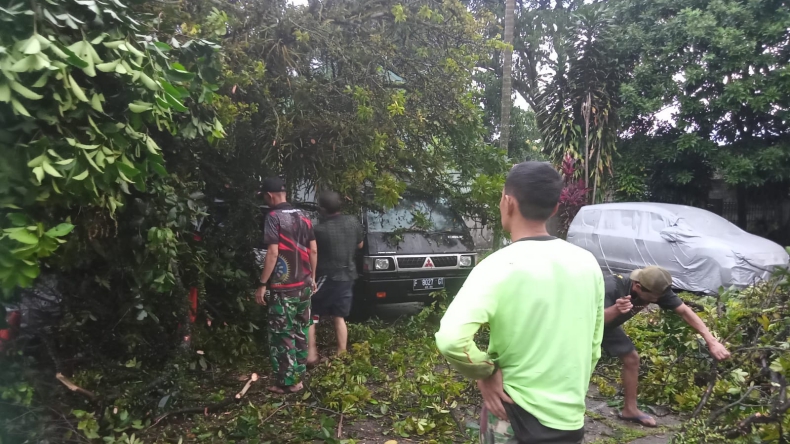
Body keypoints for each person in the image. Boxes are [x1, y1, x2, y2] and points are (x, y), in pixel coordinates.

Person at [435, 161, 605, 444]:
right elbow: (594, 345)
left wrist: (485, 371)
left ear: (508, 202)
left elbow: (451, 340)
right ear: (554, 208)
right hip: (569, 419)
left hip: (511, 414)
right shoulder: (587, 264)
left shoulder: (498, 266)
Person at [603, 266, 731, 427]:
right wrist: (616, 309)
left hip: (608, 328)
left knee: (631, 358)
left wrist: (712, 342)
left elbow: (685, 311)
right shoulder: (612, 287)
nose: (656, 301)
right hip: (584, 324)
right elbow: (591, 318)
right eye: (653, 298)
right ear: (637, 286)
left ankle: (630, 409)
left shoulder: (655, 288)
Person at [255, 177, 318, 395]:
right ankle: (298, 377)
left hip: (284, 288)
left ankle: (287, 383)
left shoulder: (273, 217)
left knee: (282, 334)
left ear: (269, 195)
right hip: (305, 285)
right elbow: (313, 250)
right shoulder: (304, 216)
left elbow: (273, 253)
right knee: (300, 330)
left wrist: (262, 283)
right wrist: (313, 277)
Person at [307, 191, 363, 364]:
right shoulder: (353, 222)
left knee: (310, 313)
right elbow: (360, 244)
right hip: (348, 275)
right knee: (339, 316)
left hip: (326, 276)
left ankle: (311, 355)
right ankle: (342, 354)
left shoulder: (318, 230)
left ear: (322, 209)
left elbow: (312, 252)